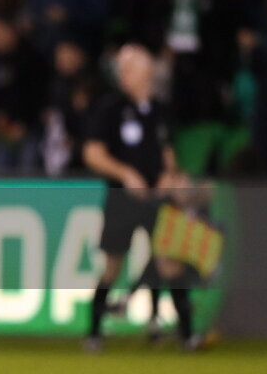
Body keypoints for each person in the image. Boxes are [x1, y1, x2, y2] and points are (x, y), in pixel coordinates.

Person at [83, 44, 199, 352]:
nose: (123, 74)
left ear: (147, 71)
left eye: (129, 67)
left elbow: (168, 154)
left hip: (157, 199)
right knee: (112, 265)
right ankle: (93, 332)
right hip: (122, 198)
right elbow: (92, 153)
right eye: (121, 68)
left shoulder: (161, 110)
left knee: (170, 261)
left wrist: (168, 176)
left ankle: (187, 334)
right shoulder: (110, 108)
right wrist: (125, 174)